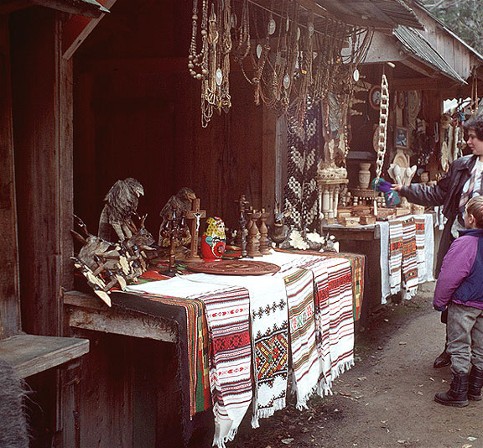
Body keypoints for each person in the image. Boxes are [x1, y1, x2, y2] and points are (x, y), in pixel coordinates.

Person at [392, 114, 483, 368]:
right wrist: (406, 191)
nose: (468, 142)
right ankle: (452, 348)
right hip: (459, 238)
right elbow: (438, 192)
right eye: (468, 136)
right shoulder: (462, 165)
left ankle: (475, 362)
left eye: (473, 137)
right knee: (454, 292)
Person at [432, 195, 483, 407]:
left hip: (464, 303)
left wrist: (440, 301)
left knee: (459, 345)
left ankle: (458, 392)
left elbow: (449, 275)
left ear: (470, 219)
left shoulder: (465, 243)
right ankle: (475, 388)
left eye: (464, 213)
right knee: (481, 345)